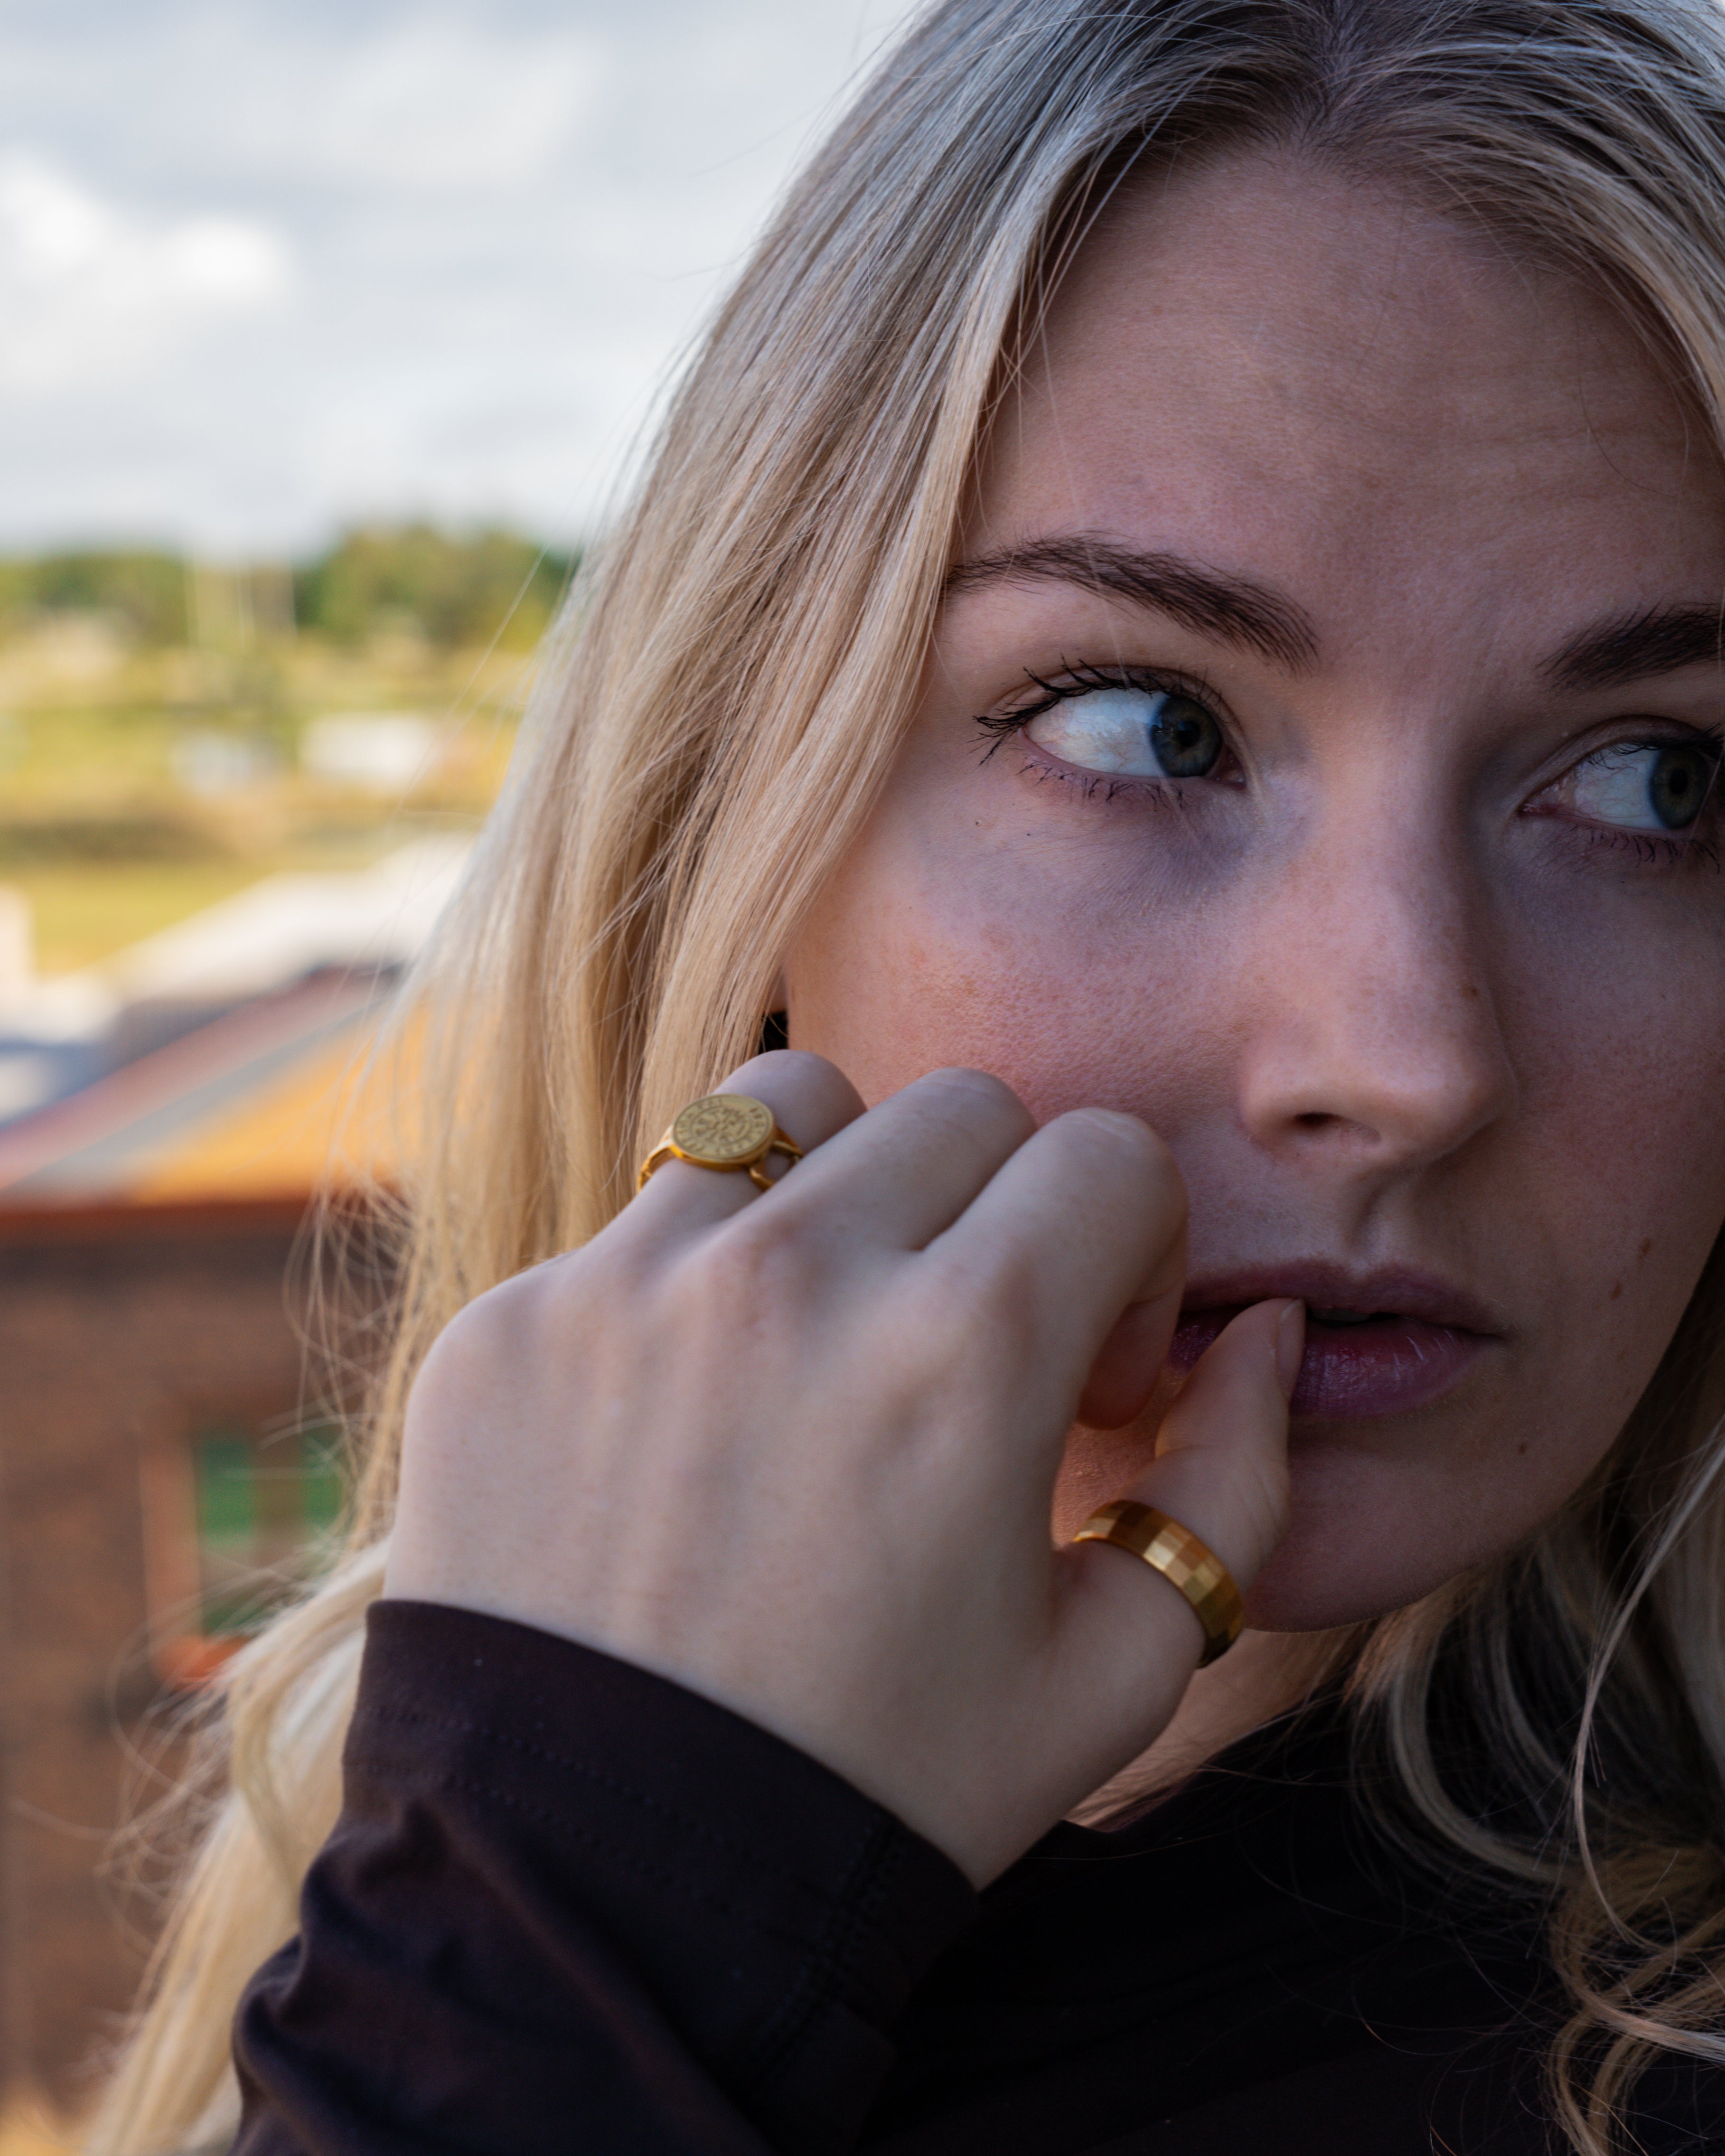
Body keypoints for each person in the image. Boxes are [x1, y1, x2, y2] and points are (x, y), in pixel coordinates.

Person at [88, 2, 1725, 2151]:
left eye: (1658, 776)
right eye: (1149, 725)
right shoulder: (406, 1756)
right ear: (737, 806)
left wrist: (584, 1921)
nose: (1406, 1060)